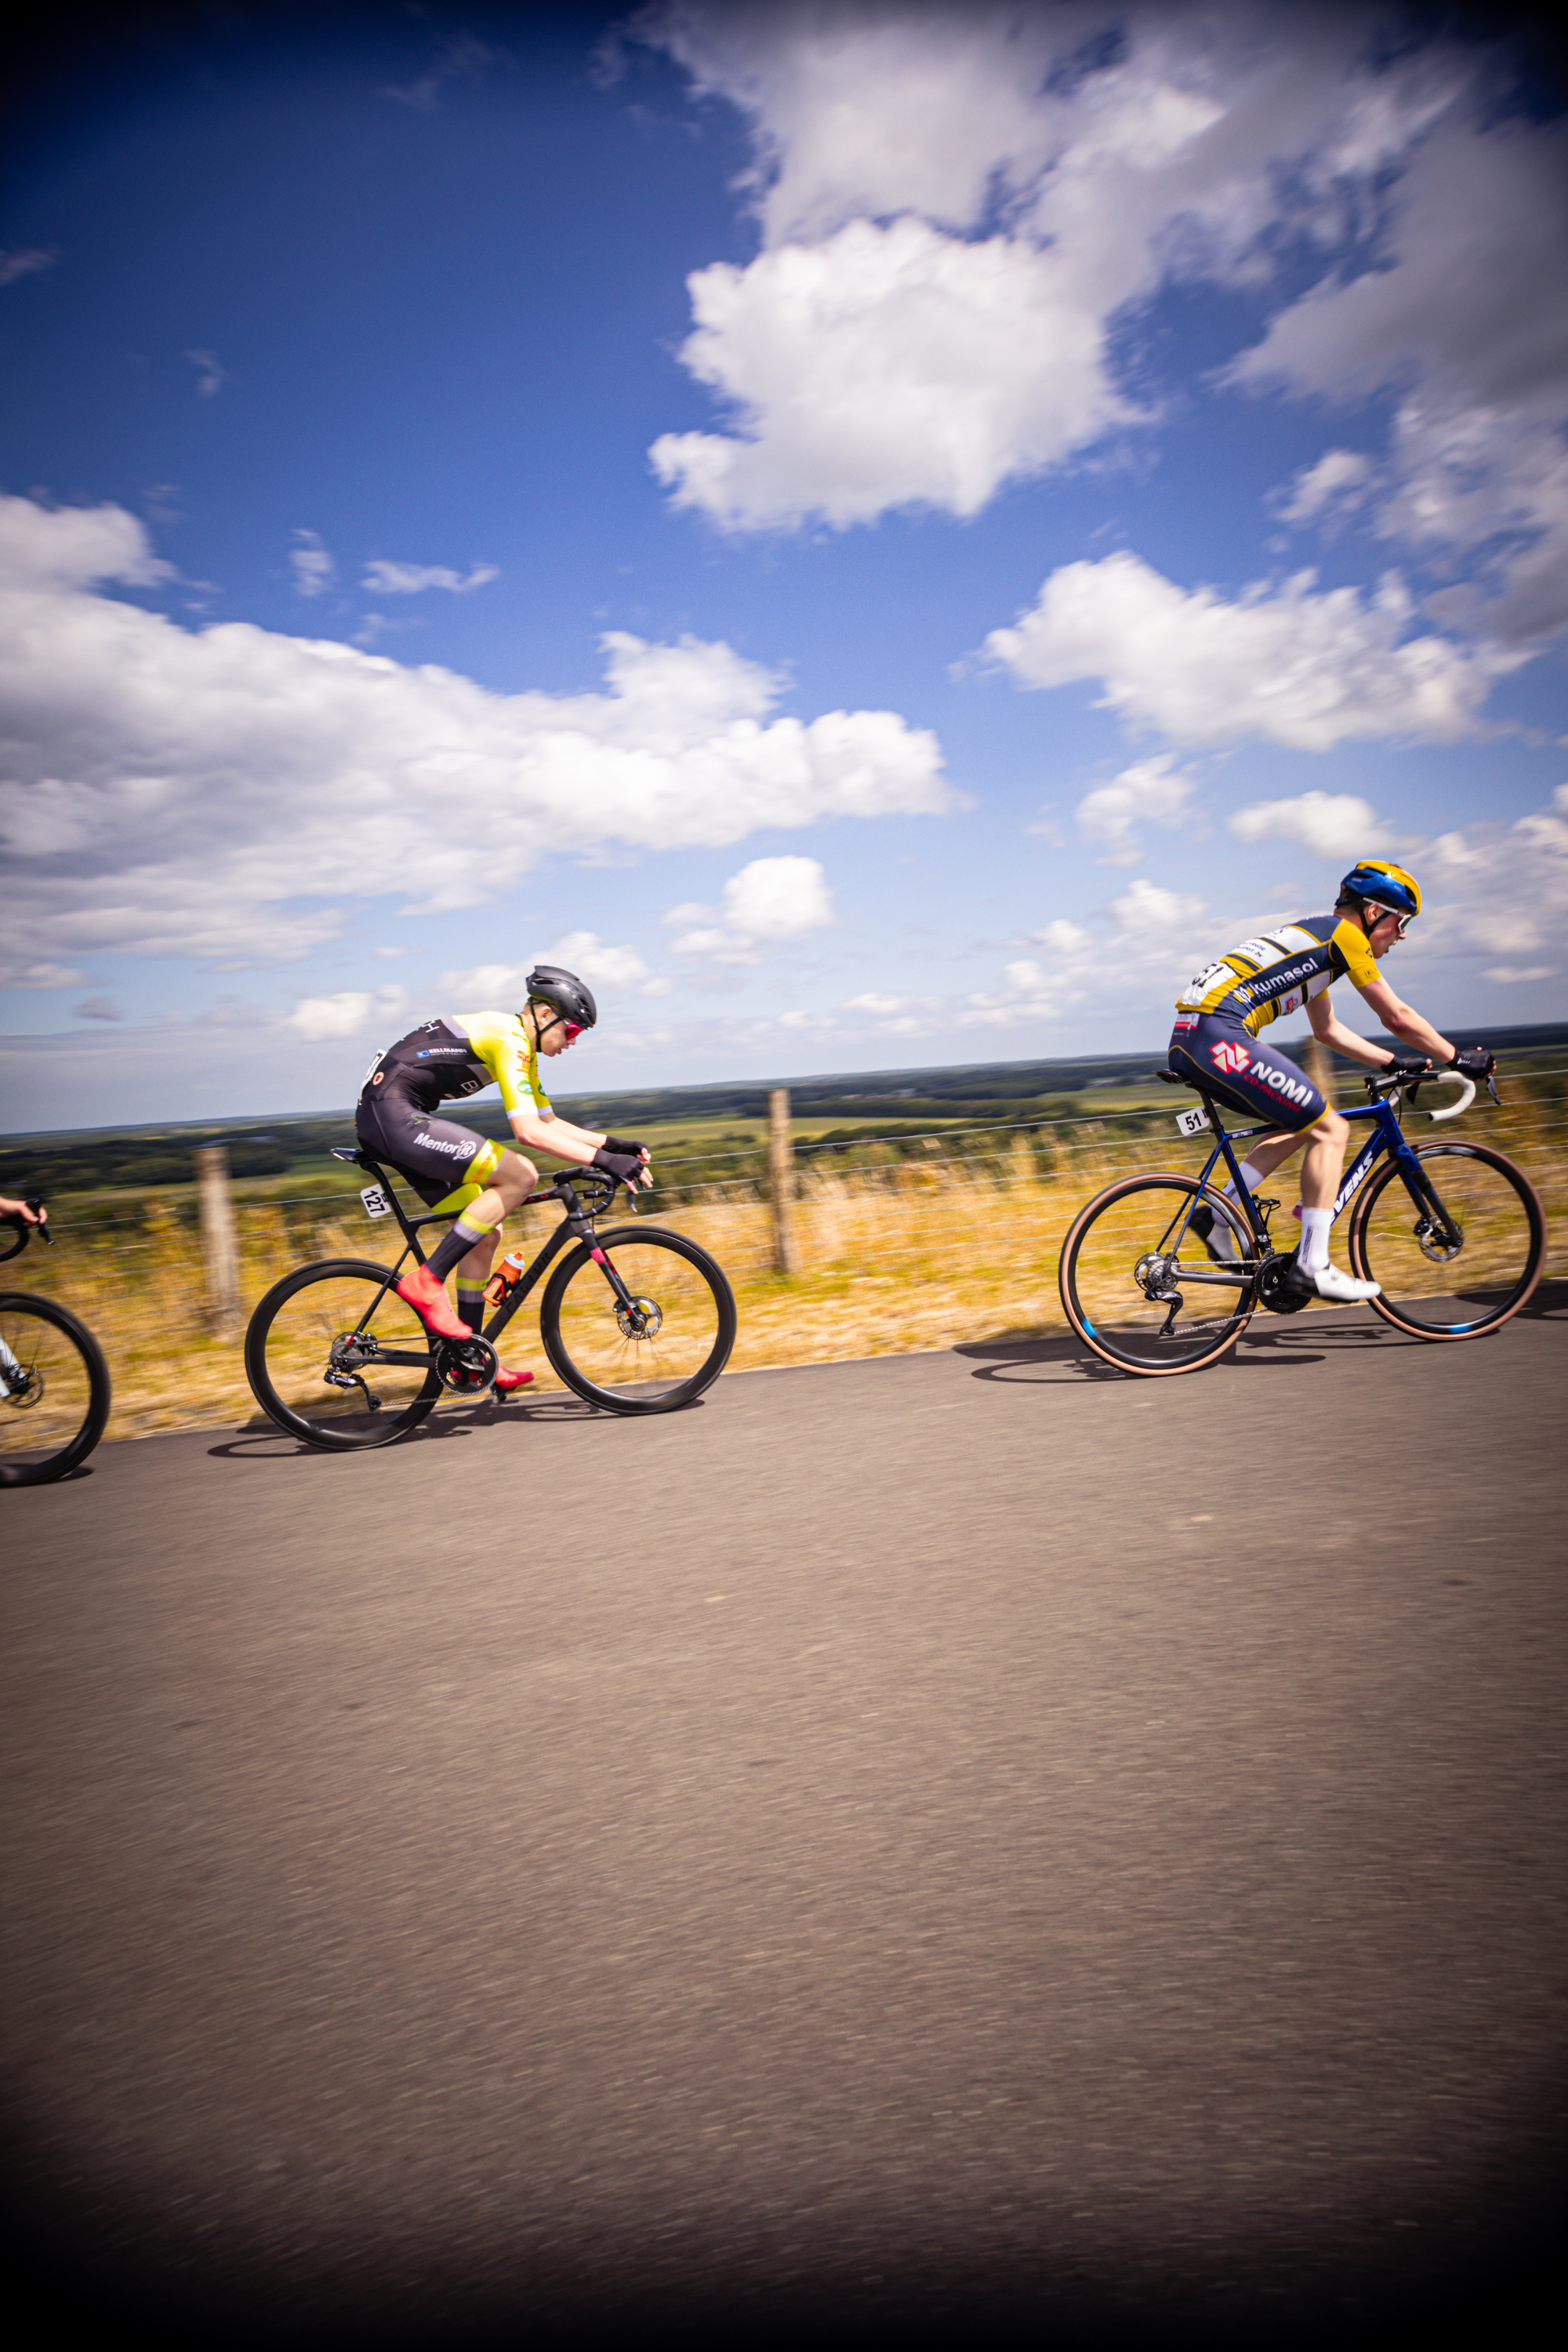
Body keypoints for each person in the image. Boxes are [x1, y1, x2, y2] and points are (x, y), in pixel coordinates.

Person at [1170, 860, 1495, 1303]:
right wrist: (1457, 1057)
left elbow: (1328, 1031)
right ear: (1375, 913)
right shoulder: (1345, 938)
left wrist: (1394, 1062)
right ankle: (1313, 1264)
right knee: (1333, 1128)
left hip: (1192, 1037)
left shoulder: (1318, 942)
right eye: (1400, 923)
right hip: (1219, 1034)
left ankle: (1217, 1215)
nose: (1401, 935)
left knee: (1301, 1118)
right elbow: (1396, 1015)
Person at [355, 966, 652, 1390]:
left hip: (388, 1118)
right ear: (545, 1013)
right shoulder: (510, 1038)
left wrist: (613, 1146)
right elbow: (528, 1133)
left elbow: (548, 1121)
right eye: (571, 1031)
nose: (571, 1043)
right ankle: (427, 1281)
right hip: (392, 1116)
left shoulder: (521, 1049)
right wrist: (604, 1162)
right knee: (520, 1175)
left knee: (485, 1234)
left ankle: (469, 1358)